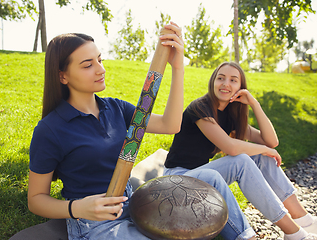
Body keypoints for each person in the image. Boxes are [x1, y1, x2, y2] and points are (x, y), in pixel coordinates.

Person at [27, 22, 184, 239]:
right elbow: (36, 199)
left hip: (133, 203)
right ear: (63, 76)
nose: (101, 69)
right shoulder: (50, 130)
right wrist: (78, 208)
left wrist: (177, 67)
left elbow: (171, 125)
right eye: (87, 65)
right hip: (95, 223)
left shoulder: (116, 108)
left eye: (99, 60)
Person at [164, 61, 317, 240]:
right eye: (220, 78)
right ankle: (293, 232)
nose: (226, 84)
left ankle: (302, 218)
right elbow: (231, 147)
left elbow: (271, 141)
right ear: (213, 81)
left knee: (261, 155)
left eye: (233, 80)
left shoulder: (230, 116)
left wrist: (254, 103)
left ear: (240, 87)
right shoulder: (200, 109)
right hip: (178, 179)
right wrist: (265, 149)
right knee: (242, 160)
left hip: (201, 177)